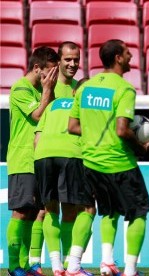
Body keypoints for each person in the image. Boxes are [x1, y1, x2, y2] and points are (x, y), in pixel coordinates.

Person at [68, 39, 149, 276]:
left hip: (91, 163)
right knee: (139, 213)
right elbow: (122, 130)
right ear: (117, 57)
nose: (131, 57)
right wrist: (142, 147)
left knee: (108, 211)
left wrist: (95, 133)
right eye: (127, 53)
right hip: (118, 162)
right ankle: (131, 270)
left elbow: (73, 126)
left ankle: (106, 262)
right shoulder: (124, 88)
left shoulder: (86, 87)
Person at [34, 41, 96, 276]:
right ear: (58, 61)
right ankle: (72, 265)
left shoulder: (56, 102)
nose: (72, 64)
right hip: (70, 155)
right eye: (68, 59)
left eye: (76, 59)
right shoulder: (48, 89)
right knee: (82, 209)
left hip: (42, 155)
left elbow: (37, 137)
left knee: (50, 210)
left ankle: (57, 266)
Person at [6, 46, 59, 276]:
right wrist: (48, 90)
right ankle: (13, 265)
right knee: (20, 212)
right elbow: (37, 115)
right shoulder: (21, 88)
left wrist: (49, 89)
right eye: (49, 72)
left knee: (31, 214)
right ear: (37, 68)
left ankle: (25, 264)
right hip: (22, 158)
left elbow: (53, 112)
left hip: (38, 159)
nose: (52, 78)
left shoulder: (40, 90)